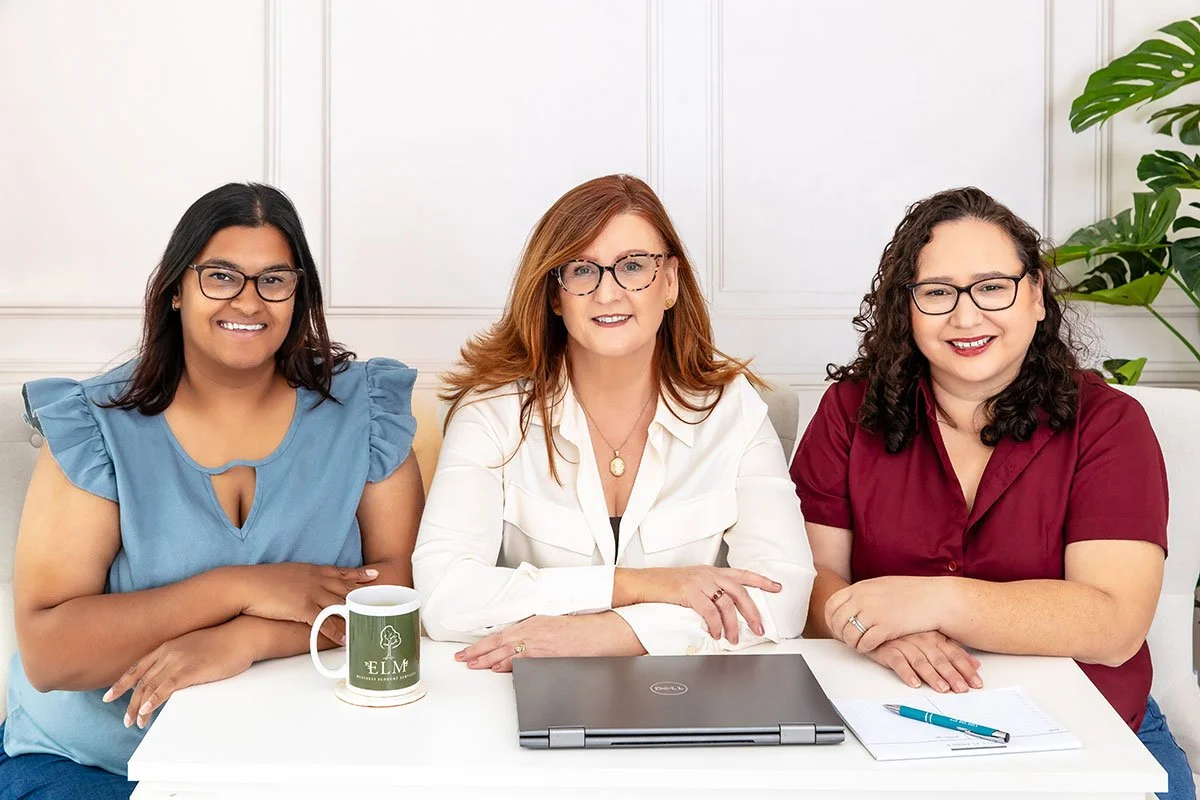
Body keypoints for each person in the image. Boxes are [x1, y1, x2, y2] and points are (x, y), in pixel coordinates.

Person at [2, 183, 423, 799]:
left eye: (274, 280)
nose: (248, 301)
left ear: (299, 294)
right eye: (221, 276)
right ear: (176, 289)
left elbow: (395, 596)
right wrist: (241, 587)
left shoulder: (366, 410)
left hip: (302, 760)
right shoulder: (96, 425)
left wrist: (243, 639)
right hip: (99, 764)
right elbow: (50, 655)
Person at [790, 186, 1193, 799]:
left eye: (992, 287)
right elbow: (807, 582)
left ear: (1035, 295)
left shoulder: (1110, 424)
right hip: (893, 725)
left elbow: (1114, 624)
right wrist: (872, 629)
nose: (966, 316)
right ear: (906, 307)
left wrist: (933, 601)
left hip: (1092, 732)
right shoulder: (848, 413)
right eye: (937, 292)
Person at [412, 174, 814, 669]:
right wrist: (636, 586)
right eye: (583, 270)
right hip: (526, 689)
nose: (608, 293)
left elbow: (783, 596)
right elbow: (442, 595)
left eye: (633, 266)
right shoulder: (492, 411)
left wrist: (606, 633)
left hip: (687, 687)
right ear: (555, 294)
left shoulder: (733, 409)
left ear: (670, 282)